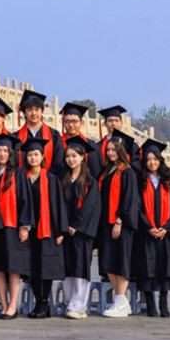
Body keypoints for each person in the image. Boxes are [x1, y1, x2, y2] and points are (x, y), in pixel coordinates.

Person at [0, 125, 32, 319]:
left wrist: (24, 226)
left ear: (11, 153)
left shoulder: (18, 174)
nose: (2, 153)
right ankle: (4, 305)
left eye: (5, 150)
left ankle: (13, 305)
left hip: (13, 226)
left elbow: (25, 200)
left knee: (13, 267)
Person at [132, 140, 170, 317]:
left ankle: (164, 301)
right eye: (148, 159)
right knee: (147, 268)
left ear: (160, 160)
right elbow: (137, 207)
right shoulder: (141, 181)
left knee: (164, 267)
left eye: (155, 159)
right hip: (146, 233)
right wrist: (148, 226)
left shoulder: (169, 181)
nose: (151, 162)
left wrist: (166, 228)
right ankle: (150, 302)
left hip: (165, 234)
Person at [19, 138, 66, 319]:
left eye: (36, 154)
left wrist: (60, 230)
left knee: (46, 267)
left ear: (42, 156)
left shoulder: (51, 179)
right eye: (30, 154)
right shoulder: (22, 177)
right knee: (32, 267)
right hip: (28, 229)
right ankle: (38, 301)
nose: (33, 157)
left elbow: (58, 205)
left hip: (47, 228)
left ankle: (43, 303)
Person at [96, 130, 140, 318]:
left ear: (121, 151)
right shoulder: (107, 171)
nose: (111, 153)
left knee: (120, 261)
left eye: (115, 150)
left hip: (120, 223)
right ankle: (121, 300)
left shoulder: (127, 172)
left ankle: (121, 300)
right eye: (109, 149)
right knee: (108, 263)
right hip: (106, 223)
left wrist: (119, 221)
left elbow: (130, 200)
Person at [59, 137, 102, 319]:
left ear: (83, 157)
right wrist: (63, 225)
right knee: (67, 267)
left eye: (74, 156)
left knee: (80, 267)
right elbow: (58, 204)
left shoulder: (90, 181)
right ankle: (69, 302)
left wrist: (77, 225)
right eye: (68, 156)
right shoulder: (63, 179)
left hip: (81, 232)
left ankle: (79, 305)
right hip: (65, 230)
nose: (71, 159)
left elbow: (92, 206)